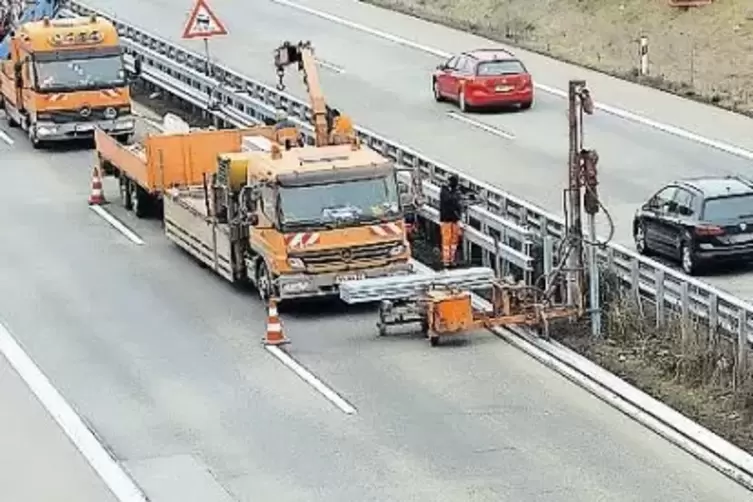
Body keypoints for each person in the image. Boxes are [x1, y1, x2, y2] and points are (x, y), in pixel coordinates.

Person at [439, 174, 463, 268]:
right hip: (446, 219)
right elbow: (450, 200)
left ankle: (451, 260)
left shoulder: (454, 192)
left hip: (454, 219)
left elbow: (457, 204)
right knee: (447, 240)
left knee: (454, 241)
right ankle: (446, 261)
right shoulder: (444, 191)